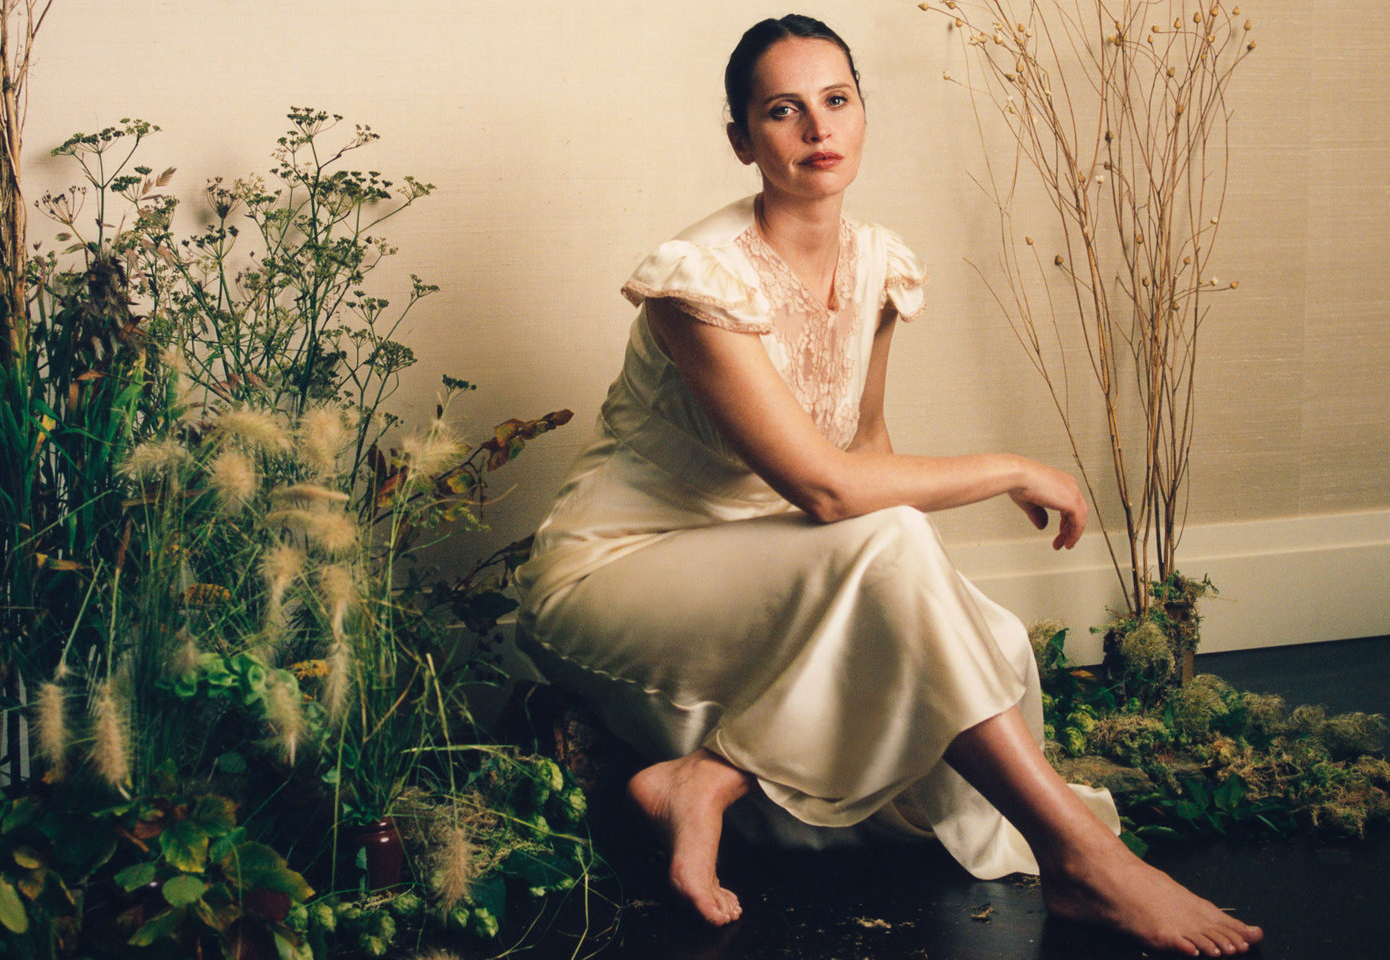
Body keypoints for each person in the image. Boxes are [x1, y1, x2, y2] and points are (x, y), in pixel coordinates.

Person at [514, 14, 1264, 957]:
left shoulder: (876, 265)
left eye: (837, 101)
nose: (817, 129)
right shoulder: (695, 282)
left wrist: (920, 596)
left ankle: (711, 776)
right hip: (626, 568)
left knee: (980, 640)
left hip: (777, 561)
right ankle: (1080, 857)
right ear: (743, 139)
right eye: (783, 111)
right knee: (907, 592)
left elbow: (866, 452)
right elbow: (828, 492)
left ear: (864, 115)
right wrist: (1011, 467)